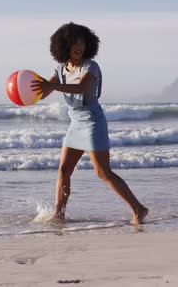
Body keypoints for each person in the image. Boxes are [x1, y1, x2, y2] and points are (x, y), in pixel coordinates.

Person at [32, 22, 148, 225]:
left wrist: (51, 85)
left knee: (102, 172)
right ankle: (59, 214)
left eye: (82, 43)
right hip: (75, 121)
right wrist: (31, 87)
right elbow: (44, 93)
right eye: (74, 43)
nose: (79, 47)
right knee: (63, 171)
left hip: (93, 121)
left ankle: (139, 209)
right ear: (63, 46)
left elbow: (79, 87)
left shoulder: (90, 66)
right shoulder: (60, 69)